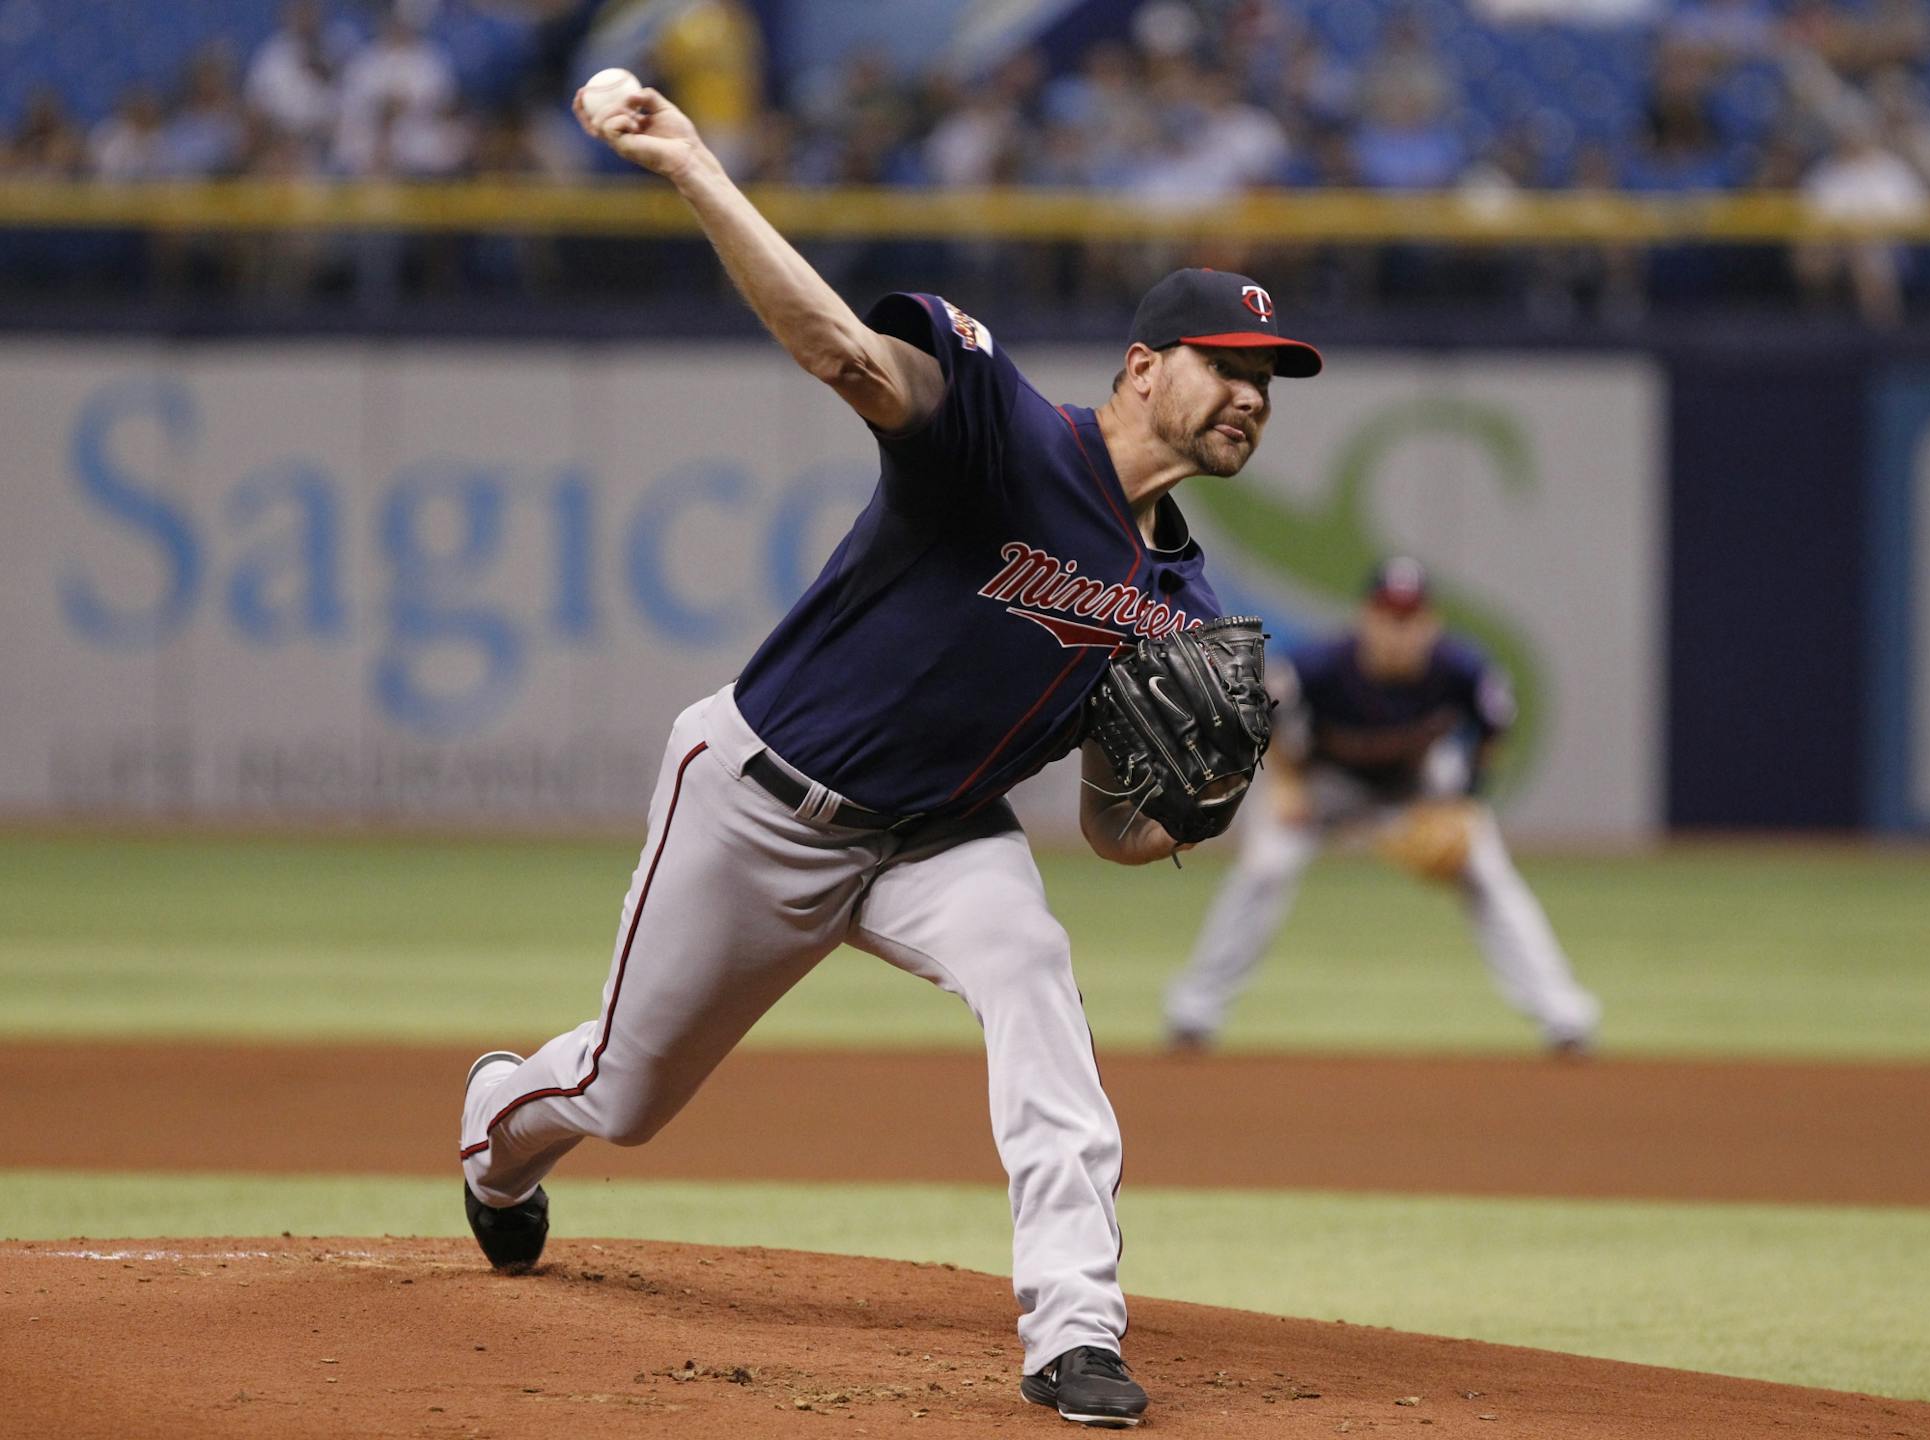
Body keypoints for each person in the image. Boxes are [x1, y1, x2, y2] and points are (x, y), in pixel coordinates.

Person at [457, 77, 1323, 1432]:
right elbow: (842, 354)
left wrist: (1193, 802)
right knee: (621, 1093)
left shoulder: (1188, 612)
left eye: (1270, 385)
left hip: (937, 835)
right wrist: (692, 164)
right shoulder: (1003, 432)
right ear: (1146, 366)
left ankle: (1074, 1331)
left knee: (1035, 976)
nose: (1254, 401)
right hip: (760, 795)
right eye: (1230, 367)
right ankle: (496, 1140)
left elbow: (1111, 832)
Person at [1161, 557, 1600, 1056]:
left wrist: (1465, 802)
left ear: (1431, 623)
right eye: (1388, 616)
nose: (1399, 631)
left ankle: (1565, 1017)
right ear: (1365, 617)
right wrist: (1285, 783)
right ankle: (1194, 1012)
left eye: (1410, 619)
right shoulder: (1319, 667)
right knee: (1264, 870)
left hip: (1415, 789)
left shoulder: (1463, 669)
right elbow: (1255, 715)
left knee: (1487, 870)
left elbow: (1492, 732)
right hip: (1324, 786)